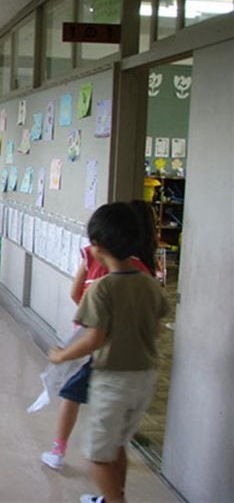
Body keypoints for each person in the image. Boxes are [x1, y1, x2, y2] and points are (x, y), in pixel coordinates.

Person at [48, 202, 169, 503]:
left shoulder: (102, 288)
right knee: (117, 445)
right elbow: (155, 329)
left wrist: (61, 355)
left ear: (96, 246)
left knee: (98, 457)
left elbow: (93, 339)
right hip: (145, 377)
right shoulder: (149, 283)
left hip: (113, 379)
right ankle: (115, 496)